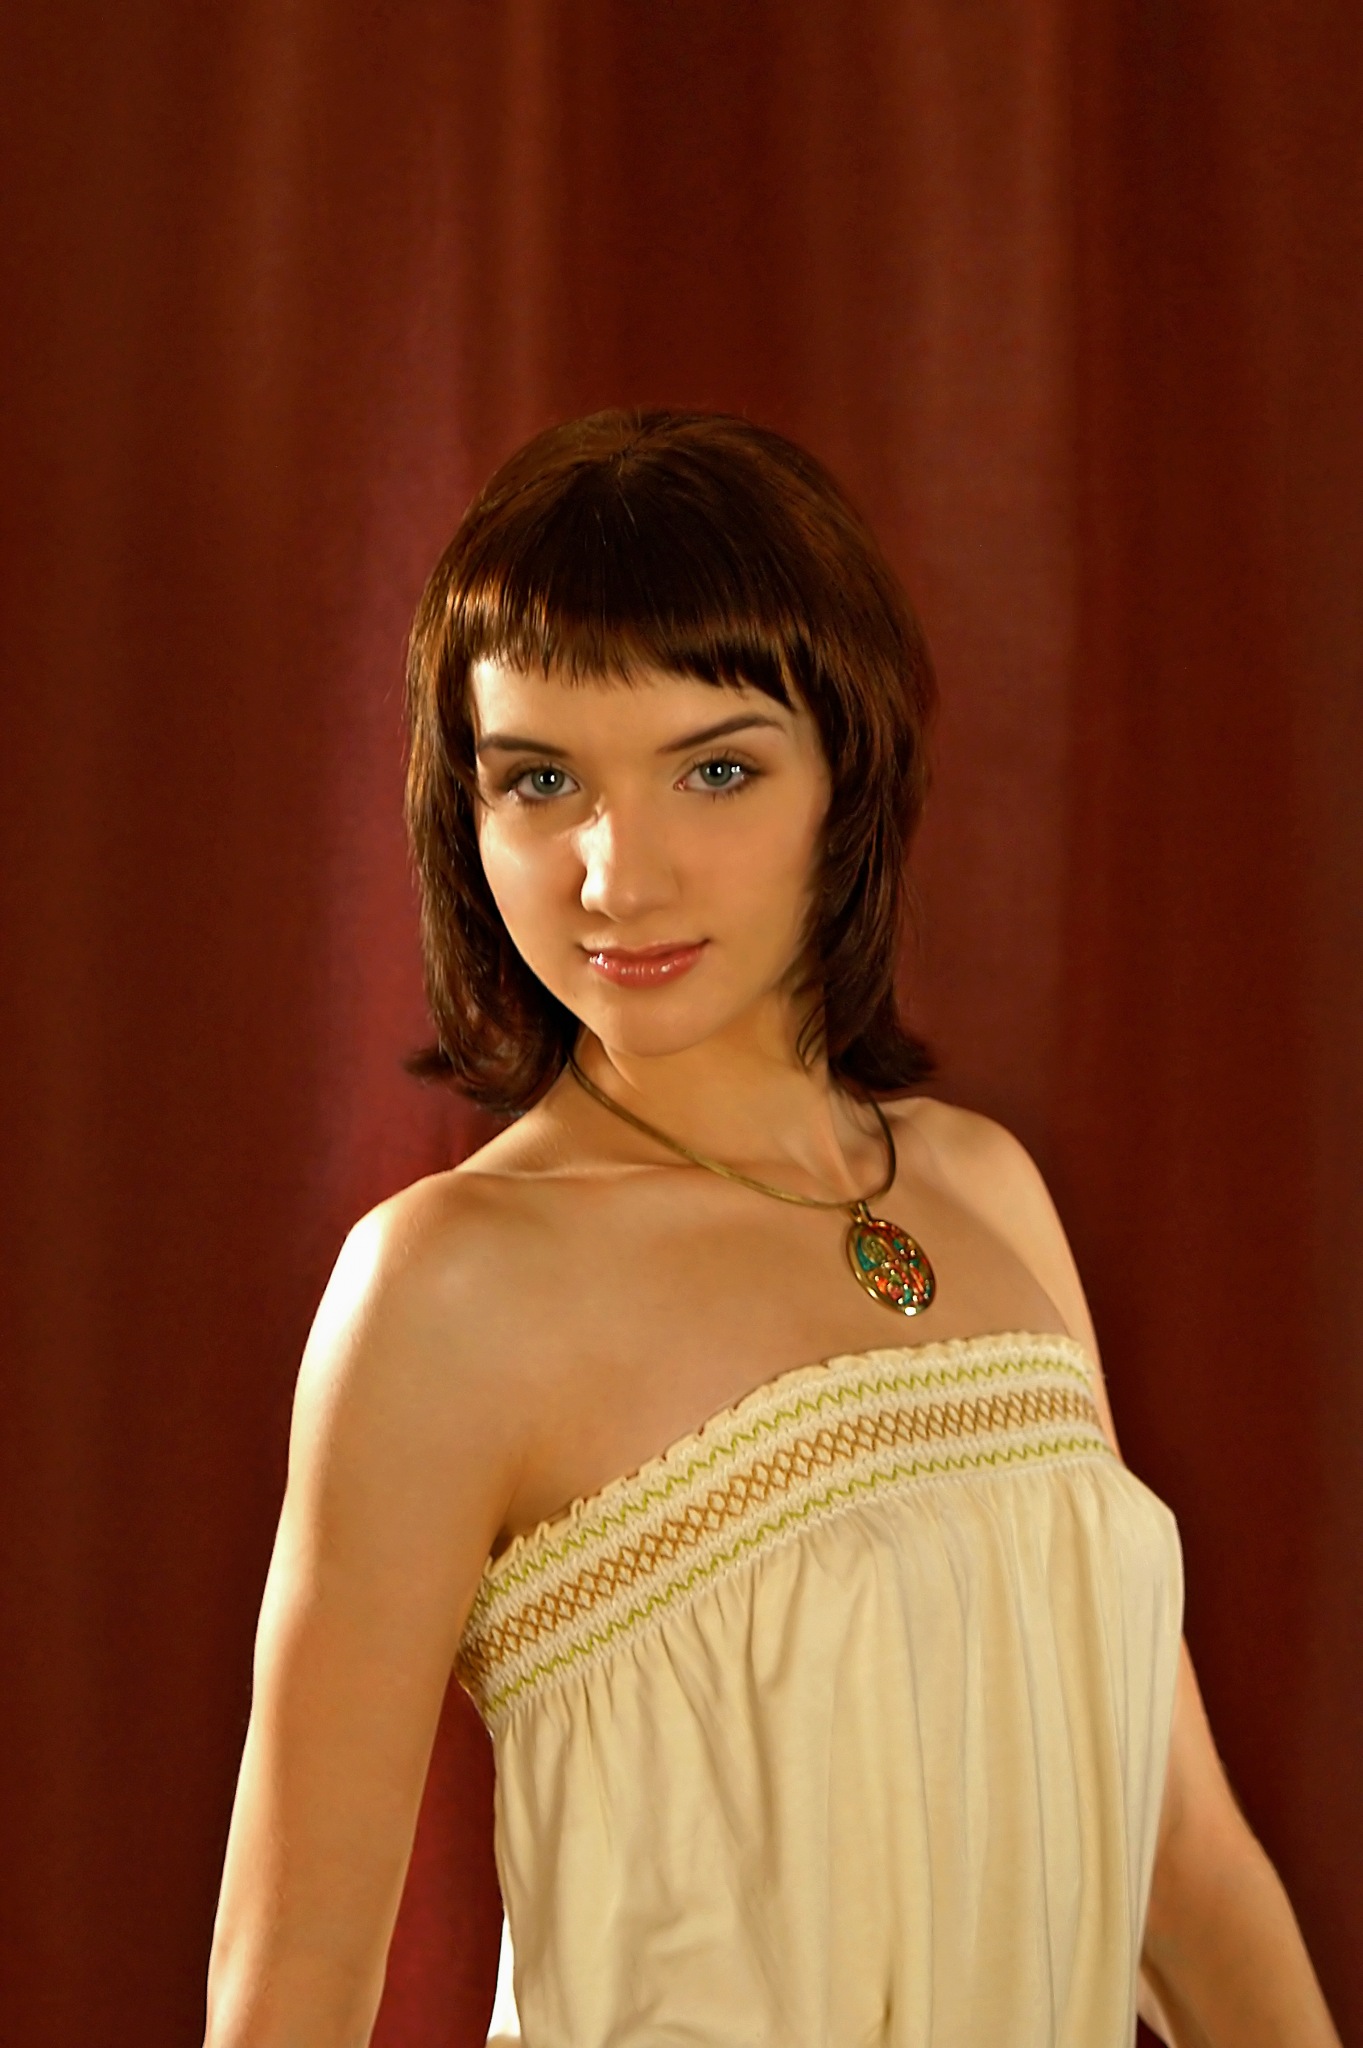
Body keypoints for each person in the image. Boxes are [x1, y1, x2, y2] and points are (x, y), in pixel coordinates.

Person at [204, 410, 1339, 2048]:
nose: (616, 876)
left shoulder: (984, 1190)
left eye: (716, 769)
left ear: (846, 776)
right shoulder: (444, 1287)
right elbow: (290, 1989)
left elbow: (1184, 1876)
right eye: (540, 780)